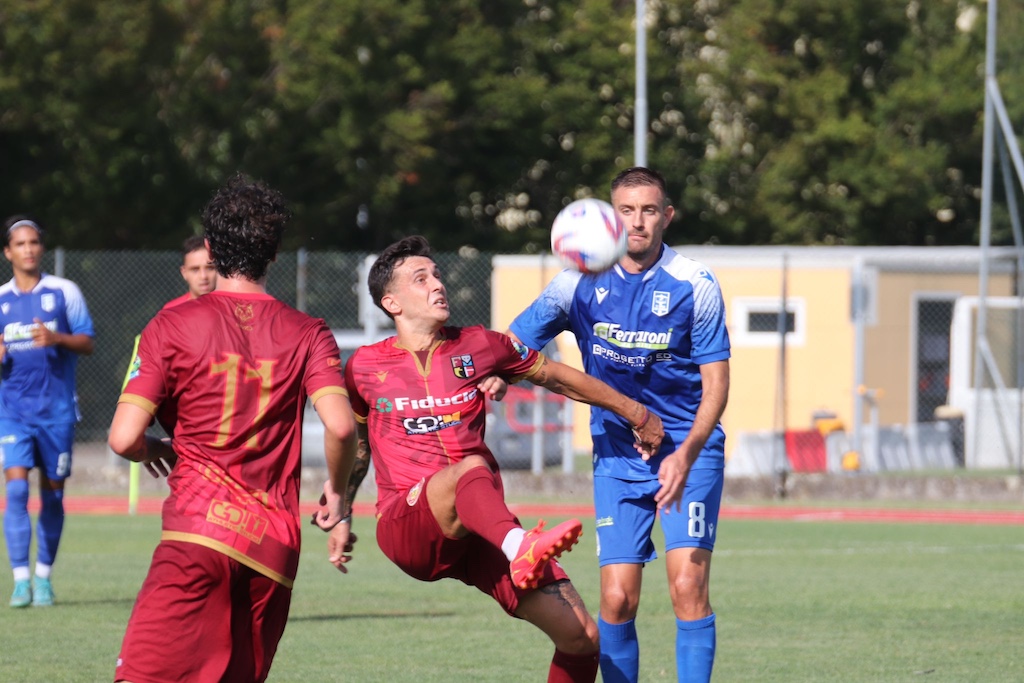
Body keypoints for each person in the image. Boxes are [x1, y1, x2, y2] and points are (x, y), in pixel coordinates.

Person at [334, 235, 664, 683]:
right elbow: (358, 443)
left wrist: (635, 411)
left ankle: (516, 546)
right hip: (407, 527)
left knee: (582, 636)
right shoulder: (363, 367)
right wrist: (342, 510)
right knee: (470, 466)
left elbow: (558, 377)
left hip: (481, 534)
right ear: (391, 302)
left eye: (437, 274)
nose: (437, 284)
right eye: (421, 278)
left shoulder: (480, 345)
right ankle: (520, 546)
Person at [108, 174, 358, 683]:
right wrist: (337, 493)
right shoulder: (310, 333)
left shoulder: (172, 324)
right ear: (273, 253)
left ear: (211, 248)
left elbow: (122, 438)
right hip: (274, 547)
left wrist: (155, 447)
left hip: (197, 532)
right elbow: (340, 427)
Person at [508, 167, 731, 683]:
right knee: (615, 598)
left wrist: (689, 451)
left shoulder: (693, 285)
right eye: (627, 211)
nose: (638, 222)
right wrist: (496, 378)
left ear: (666, 216)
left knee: (687, 587)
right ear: (611, 217)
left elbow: (717, 386)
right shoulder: (575, 282)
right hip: (615, 455)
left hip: (686, 453)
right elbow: (516, 345)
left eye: (649, 210)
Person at [0, 216, 95, 609]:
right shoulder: (1, 298)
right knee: (17, 490)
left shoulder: (63, 291)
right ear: (8, 252)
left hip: (56, 412)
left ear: (41, 247)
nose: (28, 249)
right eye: (20, 244)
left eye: (34, 242)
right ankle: (20, 580)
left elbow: (88, 342)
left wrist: (56, 338)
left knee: (53, 498)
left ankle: (44, 578)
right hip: (12, 414)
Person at [162, 234, 218, 309]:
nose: (203, 276)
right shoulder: (172, 311)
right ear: (184, 273)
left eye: (210, 268)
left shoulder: (232, 309)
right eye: (195, 270)